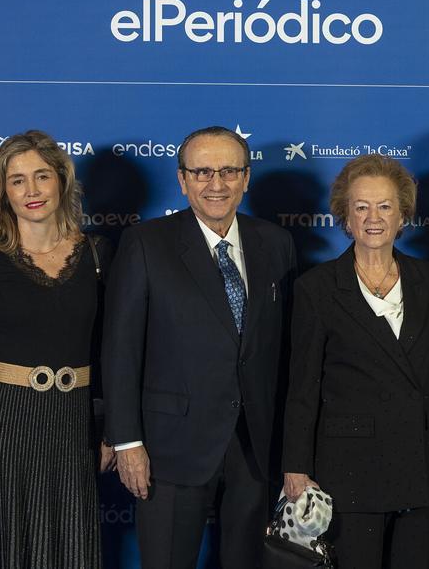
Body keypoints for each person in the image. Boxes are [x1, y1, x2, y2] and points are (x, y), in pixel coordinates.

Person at [102, 125, 298, 569]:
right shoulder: (146, 243)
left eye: (229, 171)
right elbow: (121, 349)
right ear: (182, 180)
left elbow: (285, 353)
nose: (217, 184)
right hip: (172, 445)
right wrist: (127, 440)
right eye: (203, 172)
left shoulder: (276, 243)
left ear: (247, 178)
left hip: (256, 445)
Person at [282, 154, 429, 569]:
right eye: (361, 207)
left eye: (384, 207)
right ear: (345, 217)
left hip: (420, 457)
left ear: (403, 216)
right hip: (349, 468)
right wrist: (295, 466)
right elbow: (302, 387)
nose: (372, 218)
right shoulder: (317, 287)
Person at [0, 129, 113, 568]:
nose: (31, 191)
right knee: (2, 546)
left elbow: (109, 352)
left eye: (41, 176)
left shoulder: (98, 253)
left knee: (71, 546)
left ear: (61, 180)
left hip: (75, 420)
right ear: (2, 192)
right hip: (7, 419)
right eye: (17, 180)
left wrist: (111, 428)